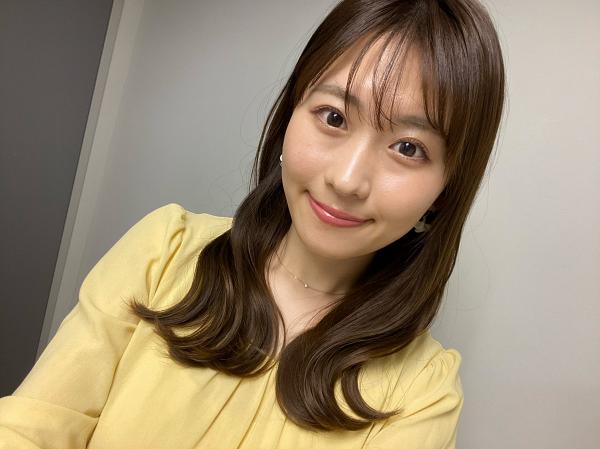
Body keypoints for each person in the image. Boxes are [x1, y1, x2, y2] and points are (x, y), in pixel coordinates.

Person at [0, 0, 505, 447]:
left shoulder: (422, 392)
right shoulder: (165, 252)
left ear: (445, 189)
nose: (348, 179)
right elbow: (33, 426)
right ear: (289, 117)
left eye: (409, 148)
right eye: (333, 117)